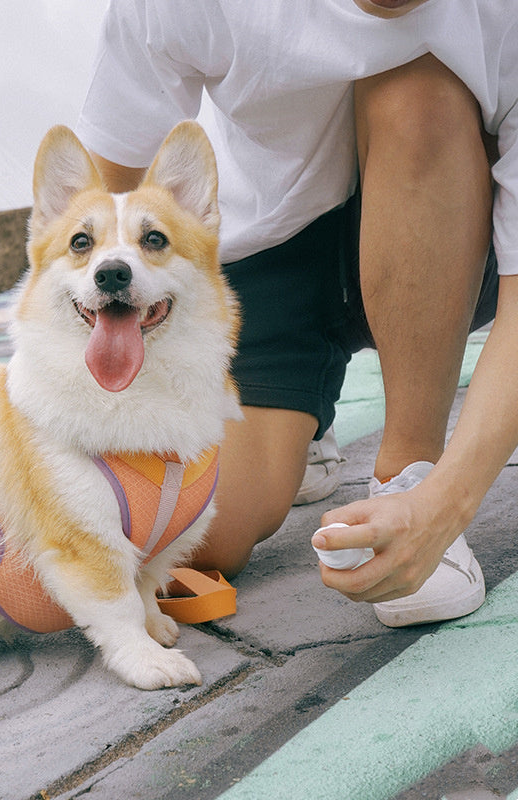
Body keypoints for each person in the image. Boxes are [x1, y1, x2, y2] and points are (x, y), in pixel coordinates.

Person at [73, 0, 518, 626]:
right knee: (197, 539)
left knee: (417, 85)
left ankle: (407, 473)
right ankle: (305, 427)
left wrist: (444, 504)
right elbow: (96, 207)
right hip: (278, 249)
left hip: (453, 221)